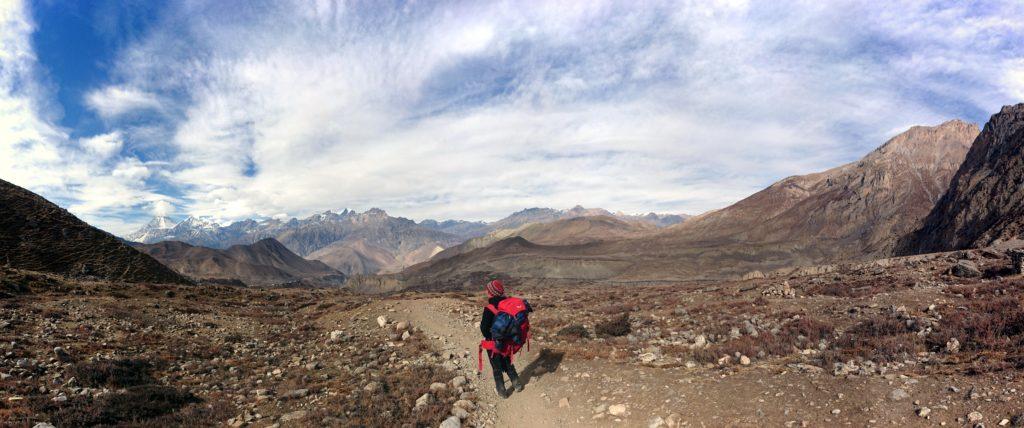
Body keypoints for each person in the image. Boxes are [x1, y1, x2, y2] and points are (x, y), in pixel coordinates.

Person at [479, 279, 525, 398]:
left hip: (493, 343)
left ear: (491, 292)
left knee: (496, 367)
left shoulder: (489, 308)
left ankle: (502, 391)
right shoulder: (508, 304)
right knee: (508, 363)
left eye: (488, 290)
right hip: (508, 342)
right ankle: (517, 384)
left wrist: (491, 335)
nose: (486, 291)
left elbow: (484, 328)